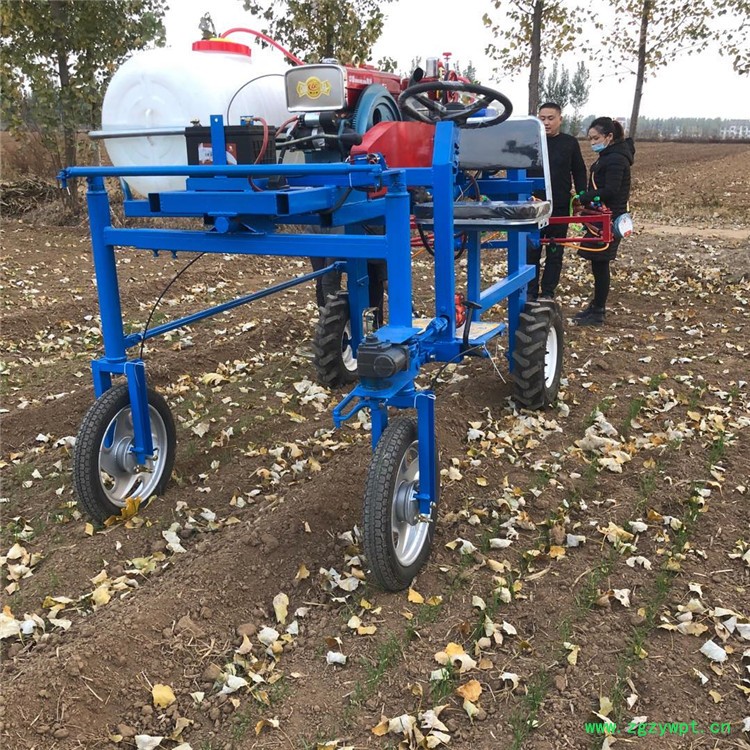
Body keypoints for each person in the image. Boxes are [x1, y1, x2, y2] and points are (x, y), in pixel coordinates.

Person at [573, 116, 635, 326]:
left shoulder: (616, 159)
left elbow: (611, 190)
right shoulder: (608, 156)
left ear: (609, 136)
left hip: (609, 217)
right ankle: (595, 305)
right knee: (597, 262)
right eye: (589, 139)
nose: (592, 143)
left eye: (596, 138)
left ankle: (598, 310)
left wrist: (584, 197)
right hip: (600, 216)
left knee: (601, 262)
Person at [528, 102, 587, 300]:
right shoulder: (531, 142)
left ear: (560, 119)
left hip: (559, 206)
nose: (546, 122)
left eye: (550, 118)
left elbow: (579, 170)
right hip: (533, 206)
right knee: (531, 251)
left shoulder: (569, 143)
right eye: (542, 118)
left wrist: (581, 195)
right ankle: (530, 292)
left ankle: (547, 293)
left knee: (554, 251)